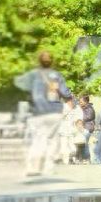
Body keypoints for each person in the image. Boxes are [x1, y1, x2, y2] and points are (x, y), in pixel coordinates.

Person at [13, 50, 72, 178]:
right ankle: (48, 168)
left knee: (37, 140)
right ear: (52, 62)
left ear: (39, 61)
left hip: (38, 112)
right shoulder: (57, 76)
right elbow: (66, 93)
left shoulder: (33, 74)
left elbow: (18, 83)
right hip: (54, 112)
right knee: (52, 140)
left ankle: (33, 167)